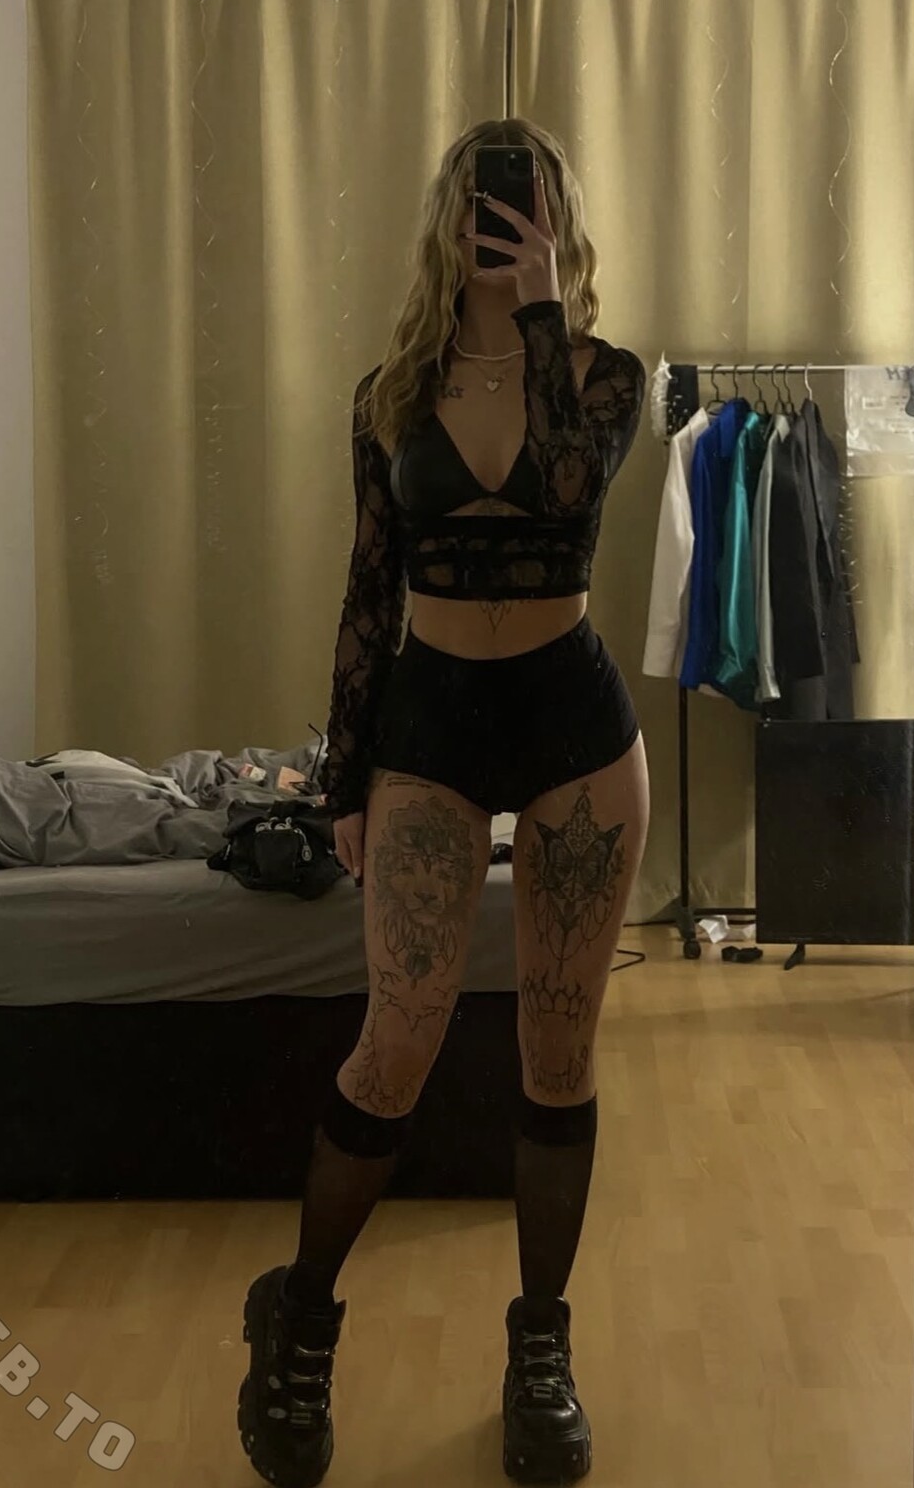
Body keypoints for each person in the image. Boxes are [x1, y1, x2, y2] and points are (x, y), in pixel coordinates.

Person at [238, 119, 650, 1488]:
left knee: (557, 1052)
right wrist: (344, 779)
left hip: (574, 728)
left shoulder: (602, 374)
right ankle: (299, 1319)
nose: (500, 227)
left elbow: (571, 497)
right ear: (446, 219)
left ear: (557, 221)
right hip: (432, 724)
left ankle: (540, 1351)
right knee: (396, 1044)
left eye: (522, 206)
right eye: (482, 206)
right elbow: (369, 591)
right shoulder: (392, 395)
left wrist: (541, 315)